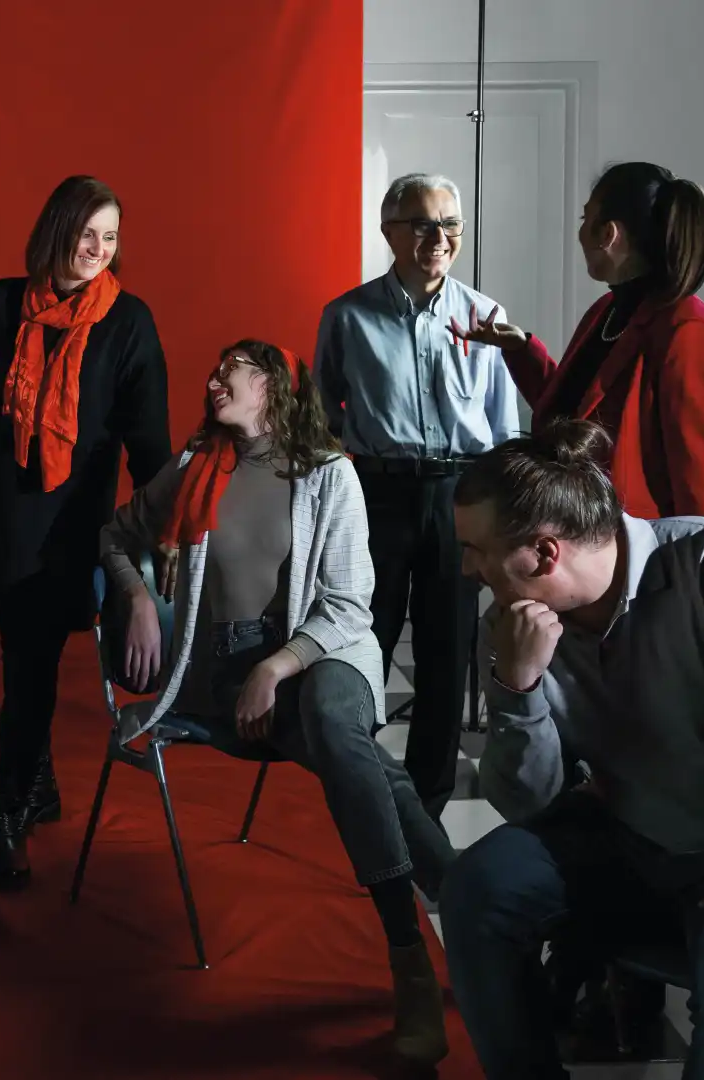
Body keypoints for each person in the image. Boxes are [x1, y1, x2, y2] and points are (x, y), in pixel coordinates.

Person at [439, 419, 704, 1080]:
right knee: (476, 888)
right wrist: (516, 689)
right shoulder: (511, 626)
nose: (467, 568)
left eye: (476, 550)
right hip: (628, 833)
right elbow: (526, 803)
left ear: (543, 553)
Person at [100, 340, 457, 1066]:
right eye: (214, 369)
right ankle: (466, 899)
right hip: (225, 675)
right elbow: (113, 533)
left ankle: (408, 957)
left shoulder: (328, 473)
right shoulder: (194, 468)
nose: (212, 379)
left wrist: (278, 664)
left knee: (328, 714)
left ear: (270, 385)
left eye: (228, 369)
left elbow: (349, 606)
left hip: (323, 652)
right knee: (350, 750)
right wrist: (136, 595)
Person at [0, 175, 171, 890]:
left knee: (30, 665)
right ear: (56, 232)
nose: (97, 249)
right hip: (8, 510)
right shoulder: (10, 302)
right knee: (25, 661)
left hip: (74, 521)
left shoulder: (127, 321)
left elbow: (148, 442)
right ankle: (23, 794)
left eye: (110, 238)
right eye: (86, 234)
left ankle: (16, 799)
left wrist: (161, 533)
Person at [314, 172, 523, 820]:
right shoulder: (346, 316)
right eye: (423, 224)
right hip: (376, 492)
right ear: (389, 232)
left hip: (461, 496)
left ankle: (426, 806)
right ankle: (360, 787)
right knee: (363, 638)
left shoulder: (485, 317)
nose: (439, 238)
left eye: (450, 224)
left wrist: (499, 516)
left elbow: (504, 427)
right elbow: (322, 413)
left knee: (446, 650)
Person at [457, 162, 704, 521]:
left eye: (584, 218)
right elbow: (574, 415)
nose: (580, 232)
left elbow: (702, 479)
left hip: (640, 541)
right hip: (583, 532)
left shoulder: (689, 331)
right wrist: (520, 350)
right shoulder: (606, 310)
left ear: (608, 233)